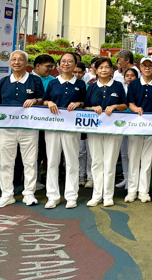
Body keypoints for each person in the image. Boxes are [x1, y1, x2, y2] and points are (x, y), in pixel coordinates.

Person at [0, 50, 44, 208]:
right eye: (13, 59)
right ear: (10, 62)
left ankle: (29, 193)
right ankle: (6, 194)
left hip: (29, 127)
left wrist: (35, 100)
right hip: (6, 128)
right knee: (6, 163)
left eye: (20, 60)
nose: (16, 62)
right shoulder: (4, 81)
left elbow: (43, 100)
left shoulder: (34, 80)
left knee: (30, 162)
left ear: (26, 63)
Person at [42, 52, 86, 209]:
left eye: (70, 61)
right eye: (63, 61)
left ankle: (71, 195)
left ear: (75, 65)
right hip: (53, 126)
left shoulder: (80, 84)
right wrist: (48, 103)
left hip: (72, 126)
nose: (66, 64)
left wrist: (78, 103)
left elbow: (85, 102)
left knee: (72, 161)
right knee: (53, 161)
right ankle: (52, 196)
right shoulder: (53, 83)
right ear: (59, 65)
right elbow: (45, 98)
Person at [85, 57, 128, 207]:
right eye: (100, 67)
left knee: (110, 162)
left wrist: (115, 107)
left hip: (114, 128)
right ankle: (97, 194)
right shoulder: (91, 87)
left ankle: (108, 195)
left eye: (106, 67)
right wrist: (92, 108)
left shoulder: (117, 86)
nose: (103, 70)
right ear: (96, 70)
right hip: (94, 129)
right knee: (96, 162)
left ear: (112, 70)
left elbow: (124, 105)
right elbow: (84, 106)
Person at [125, 56, 152, 203]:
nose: (147, 68)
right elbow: (130, 103)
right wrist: (135, 108)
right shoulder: (133, 84)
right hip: (136, 124)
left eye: (150, 66)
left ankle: (143, 191)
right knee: (133, 157)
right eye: (144, 65)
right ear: (139, 67)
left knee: (147, 159)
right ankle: (132, 190)